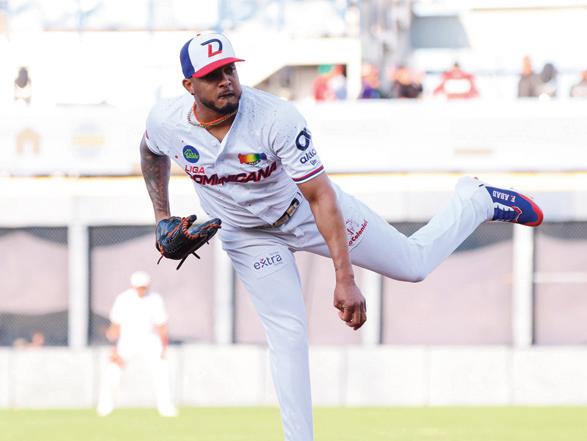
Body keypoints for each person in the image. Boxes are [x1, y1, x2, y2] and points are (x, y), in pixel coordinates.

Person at [140, 32, 543, 440]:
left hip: (306, 213)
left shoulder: (275, 118)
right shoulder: (166, 121)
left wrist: (345, 277)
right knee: (287, 335)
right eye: (213, 75)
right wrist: (161, 217)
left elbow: (321, 196)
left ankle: (475, 202)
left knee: (413, 265)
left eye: (230, 69)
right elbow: (150, 150)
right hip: (248, 236)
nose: (226, 80)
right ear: (189, 85)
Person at [96, 271, 177, 417]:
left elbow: (161, 325)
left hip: (149, 339)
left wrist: (164, 347)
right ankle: (105, 406)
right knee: (113, 370)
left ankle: (166, 406)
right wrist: (114, 349)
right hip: (127, 339)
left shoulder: (155, 299)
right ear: (133, 286)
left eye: (144, 287)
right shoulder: (123, 299)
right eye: (139, 287)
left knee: (162, 370)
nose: (141, 290)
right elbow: (115, 326)